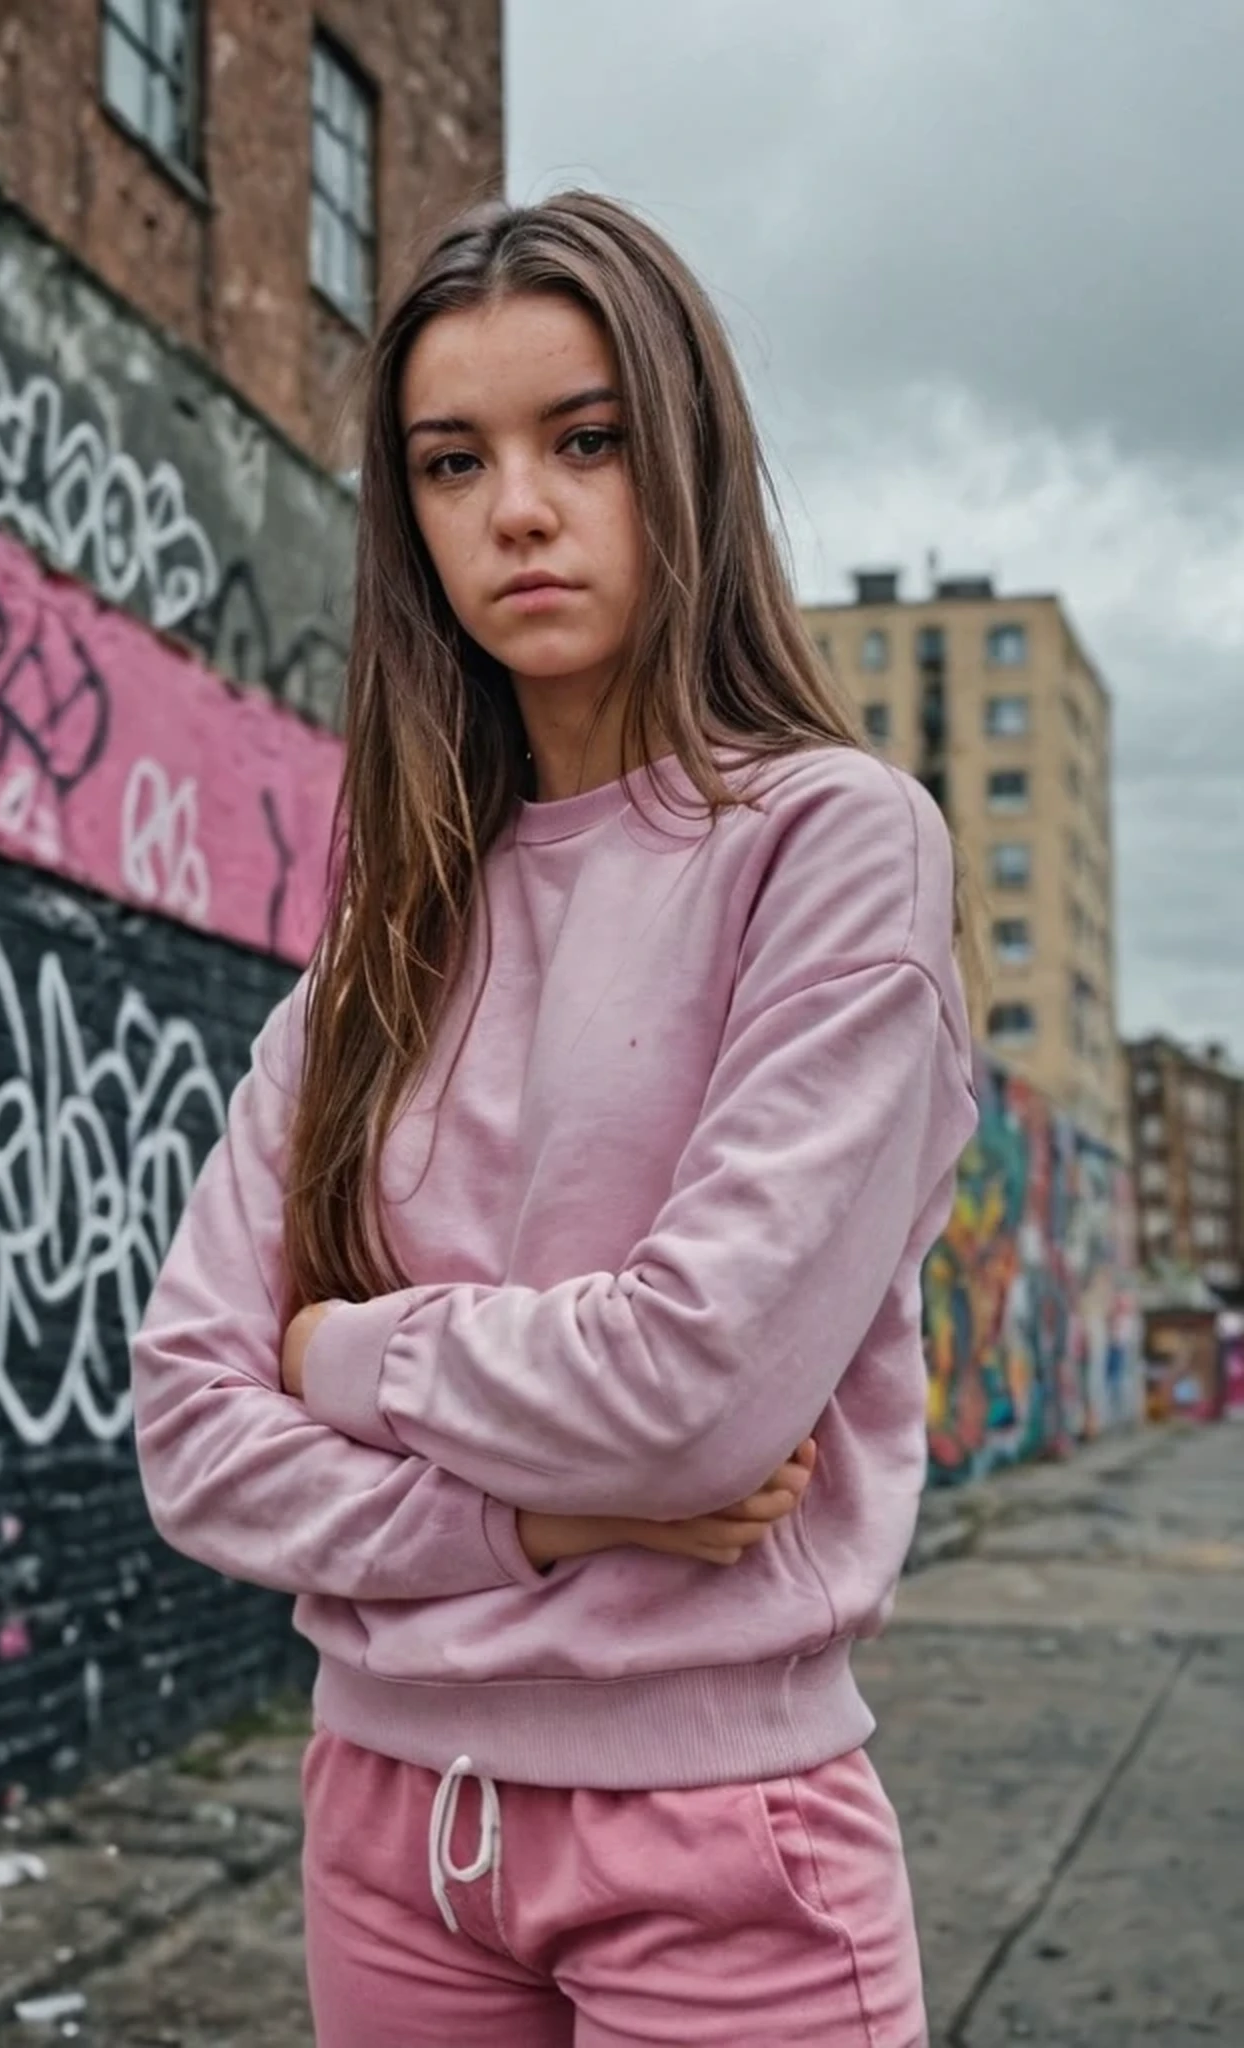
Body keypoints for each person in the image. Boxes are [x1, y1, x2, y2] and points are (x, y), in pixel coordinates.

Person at [132, 190, 977, 2047]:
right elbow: (192, 1433)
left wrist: (347, 1350)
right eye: (454, 462)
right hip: (384, 1823)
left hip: (716, 1839)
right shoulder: (387, 935)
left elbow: (697, 1396)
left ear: (682, 455)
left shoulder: (831, 849)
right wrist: (530, 1526)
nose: (518, 507)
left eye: (583, 440)